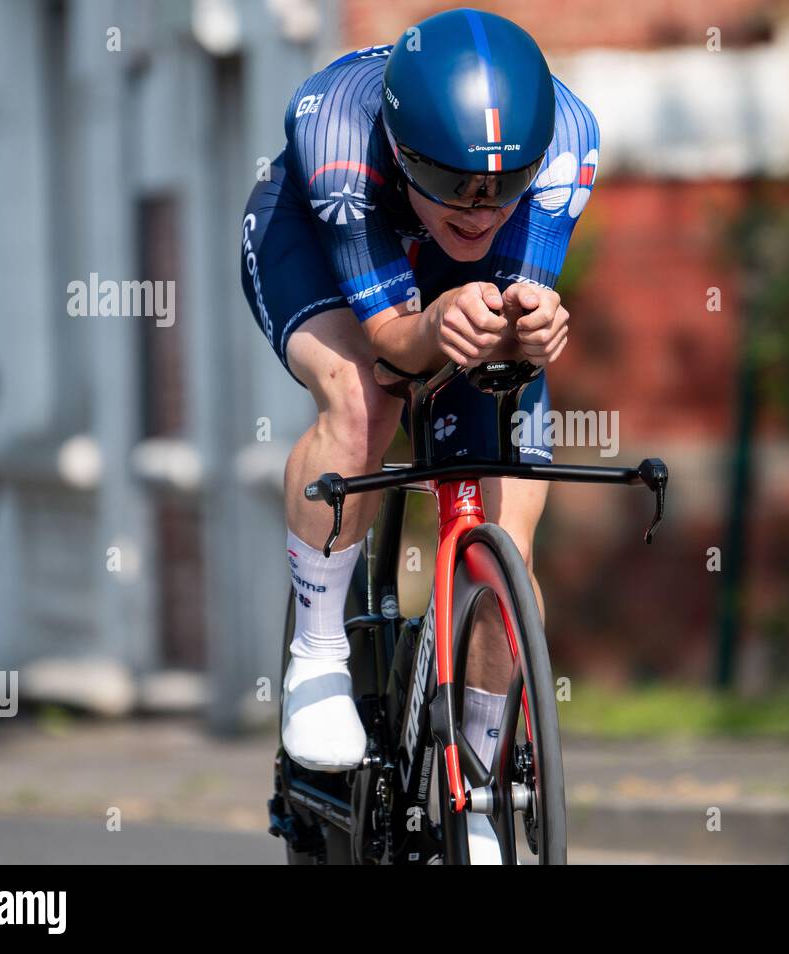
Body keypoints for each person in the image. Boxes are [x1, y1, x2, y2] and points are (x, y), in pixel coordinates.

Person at [239, 8, 598, 859]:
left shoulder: (569, 141)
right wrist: (435, 325)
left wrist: (532, 326)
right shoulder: (335, 131)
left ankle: (478, 783)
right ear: (403, 151)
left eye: (505, 183)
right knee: (366, 401)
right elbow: (398, 344)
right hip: (321, 246)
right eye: (452, 178)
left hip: (451, 286)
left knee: (505, 532)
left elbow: (511, 322)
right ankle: (320, 652)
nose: (479, 209)